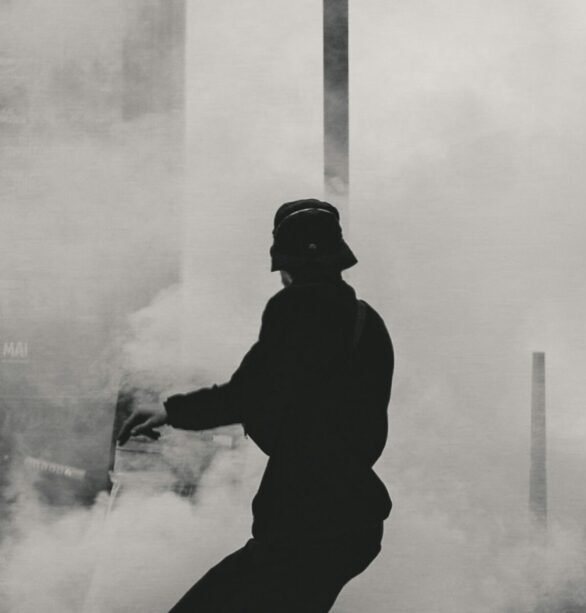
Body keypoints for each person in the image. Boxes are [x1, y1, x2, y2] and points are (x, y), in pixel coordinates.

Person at [117, 199, 394, 612]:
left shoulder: (294, 306)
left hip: (303, 526)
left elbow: (248, 394)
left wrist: (170, 412)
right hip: (355, 522)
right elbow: (368, 427)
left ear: (285, 262)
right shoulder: (368, 322)